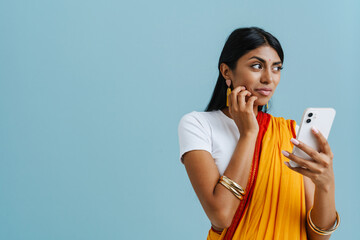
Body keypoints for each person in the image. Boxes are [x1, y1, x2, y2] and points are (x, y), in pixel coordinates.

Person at [177, 27, 340, 240]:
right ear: (226, 71)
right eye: (257, 66)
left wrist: (326, 184)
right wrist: (249, 134)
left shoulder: (291, 134)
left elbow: (317, 237)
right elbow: (221, 216)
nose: (268, 78)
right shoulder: (198, 125)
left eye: (276, 68)